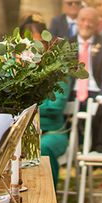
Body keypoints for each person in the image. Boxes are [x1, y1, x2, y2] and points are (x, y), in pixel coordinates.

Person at [21, 15, 70, 186]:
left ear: (46, 43)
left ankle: (48, 199)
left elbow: (54, 108)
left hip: (52, 134)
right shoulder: (16, 74)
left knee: (44, 148)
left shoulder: (58, 73)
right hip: (20, 134)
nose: (33, 49)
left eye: (37, 43)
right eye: (27, 45)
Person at [71, 7, 102, 104]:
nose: (86, 24)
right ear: (77, 21)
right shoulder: (67, 44)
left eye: (90, 21)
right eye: (83, 20)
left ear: (97, 24)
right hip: (71, 93)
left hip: (96, 93)